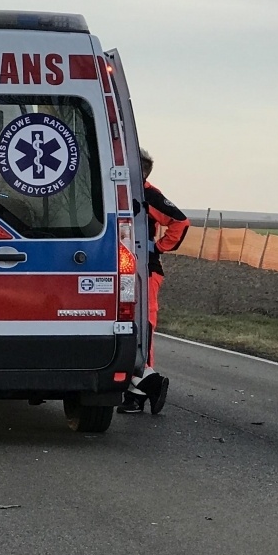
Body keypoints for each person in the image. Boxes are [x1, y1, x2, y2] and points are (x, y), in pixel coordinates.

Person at [121, 150, 188, 415]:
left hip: (146, 271)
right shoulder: (122, 192)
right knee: (128, 327)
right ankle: (137, 389)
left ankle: (147, 385)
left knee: (143, 328)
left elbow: (180, 222)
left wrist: (158, 248)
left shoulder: (148, 194)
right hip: (128, 268)